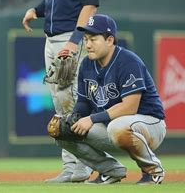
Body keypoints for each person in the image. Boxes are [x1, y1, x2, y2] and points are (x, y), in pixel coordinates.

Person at [22, 0, 100, 183]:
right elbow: (51, 2)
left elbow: (90, 5)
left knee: (71, 102)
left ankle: (82, 166)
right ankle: (73, 167)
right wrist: (35, 10)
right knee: (60, 104)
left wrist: (75, 41)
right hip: (51, 38)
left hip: (71, 37)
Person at [58, 14, 166, 185]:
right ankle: (110, 171)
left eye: (93, 39)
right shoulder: (86, 64)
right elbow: (84, 102)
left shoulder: (128, 61)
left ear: (109, 40)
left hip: (149, 123)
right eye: (85, 39)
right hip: (111, 126)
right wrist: (74, 118)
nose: (87, 44)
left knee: (118, 127)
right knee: (63, 132)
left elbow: (130, 107)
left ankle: (153, 171)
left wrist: (92, 119)